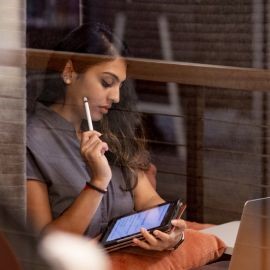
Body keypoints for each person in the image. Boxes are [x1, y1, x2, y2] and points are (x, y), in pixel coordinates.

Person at [26, 22, 186, 252]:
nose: (116, 97)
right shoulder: (30, 143)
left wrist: (171, 232)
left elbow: (149, 200)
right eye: (107, 82)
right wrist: (98, 182)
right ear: (69, 72)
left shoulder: (111, 132)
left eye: (120, 85)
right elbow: (44, 245)